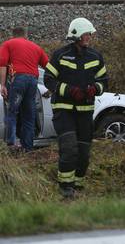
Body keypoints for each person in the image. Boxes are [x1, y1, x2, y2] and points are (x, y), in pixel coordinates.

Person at [44, 18, 108, 198]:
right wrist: (69, 91)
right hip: (63, 110)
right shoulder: (60, 55)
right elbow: (48, 79)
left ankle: (78, 185)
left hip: (85, 112)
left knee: (84, 152)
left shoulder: (95, 56)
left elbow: (104, 82)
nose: (90, 37)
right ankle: (65, 186)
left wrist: (95, 89)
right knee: (69, 147)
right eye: (87, 34)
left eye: (90, 34)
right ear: (77, 35)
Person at [0, 26, 49, 152]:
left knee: (12, 112)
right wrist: (51, 88)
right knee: (29, 115)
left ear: (13, 35)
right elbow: (49, 67)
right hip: (33, 81)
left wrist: (3, 85)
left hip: (17, 79)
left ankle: (11, 144)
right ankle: (27, 147)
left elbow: (3, 64)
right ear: (26, 36)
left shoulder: (8, 44)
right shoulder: (35, 47)